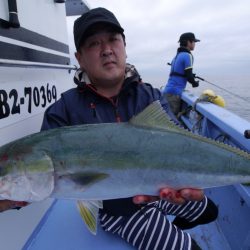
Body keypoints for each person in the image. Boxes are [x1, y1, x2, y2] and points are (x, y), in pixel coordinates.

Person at [0, 8, 218, 250]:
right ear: (79, 58)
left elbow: (180, 140)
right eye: (94, 43)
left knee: (210, 211)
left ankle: (173, 224)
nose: (106, 50)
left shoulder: (149, 96)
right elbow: (34, 184)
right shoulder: (63, 112)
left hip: (158, 190)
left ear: (124, 45)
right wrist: (10, 200)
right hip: (120, 213)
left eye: (113, 39)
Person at [163, 32, 200, 116]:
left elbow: (180, 73)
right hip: (175, 93)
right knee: (172, 120)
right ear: (188, 42)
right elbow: (189, 77)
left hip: (167, 91)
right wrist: (195, 83)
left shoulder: (176, 56)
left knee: (167, 117)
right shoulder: (188, 55)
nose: (194, 44)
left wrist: (189, 75)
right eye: (194, 42)